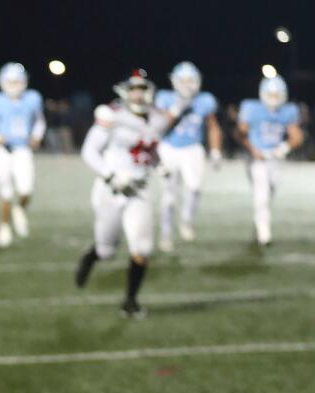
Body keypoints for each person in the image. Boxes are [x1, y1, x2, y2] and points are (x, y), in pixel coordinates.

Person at [74, 69, 180, 318]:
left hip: (139, 191)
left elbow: (147, 150)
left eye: (142, 89)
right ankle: (91, 257)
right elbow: (89, 151)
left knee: (141, 249)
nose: (138, 94)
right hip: (111, 190)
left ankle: (130, 301)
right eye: (134, 89)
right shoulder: (113, 115)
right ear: (125, 91)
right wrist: (110, 174)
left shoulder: (154, 119)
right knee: (107, 252)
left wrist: (159, 164)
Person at [155, 62, 222, 251]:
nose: (187, 85)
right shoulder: (164, 97)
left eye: (190, 80)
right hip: (168, 148)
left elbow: (213, 126)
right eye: (183, 81)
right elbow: (158, 125)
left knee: (195, 188)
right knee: (168, 196)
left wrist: (215, 151)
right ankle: (166, 234)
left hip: (193, 148)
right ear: (174, 81)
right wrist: (177, 108)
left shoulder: (205, 100)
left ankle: (186, 219)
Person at [0, 62, 46, 247]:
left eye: (17, 81)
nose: (13, 85)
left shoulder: (33, 97)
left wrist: (36, 136)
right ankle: (4, 226)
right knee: (6, 193)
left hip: (23, 150)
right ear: (2, 82)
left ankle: (20, 209)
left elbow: (40, 121)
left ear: (24, 81)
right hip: (3, 151)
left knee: (26, 189)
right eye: (10, 82)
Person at [238, 76, 303, 247]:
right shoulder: (251, 108)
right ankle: (264, 234)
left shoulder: (288, 111)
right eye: (271, 94)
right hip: (256, 158)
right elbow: (241, 133)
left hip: (275, 159)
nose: (274, 98)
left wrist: (283, 148)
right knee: (262, 195)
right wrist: (253, 149)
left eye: (277, 95)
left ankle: (259, 224)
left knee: (269, 194)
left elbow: (297, 136)